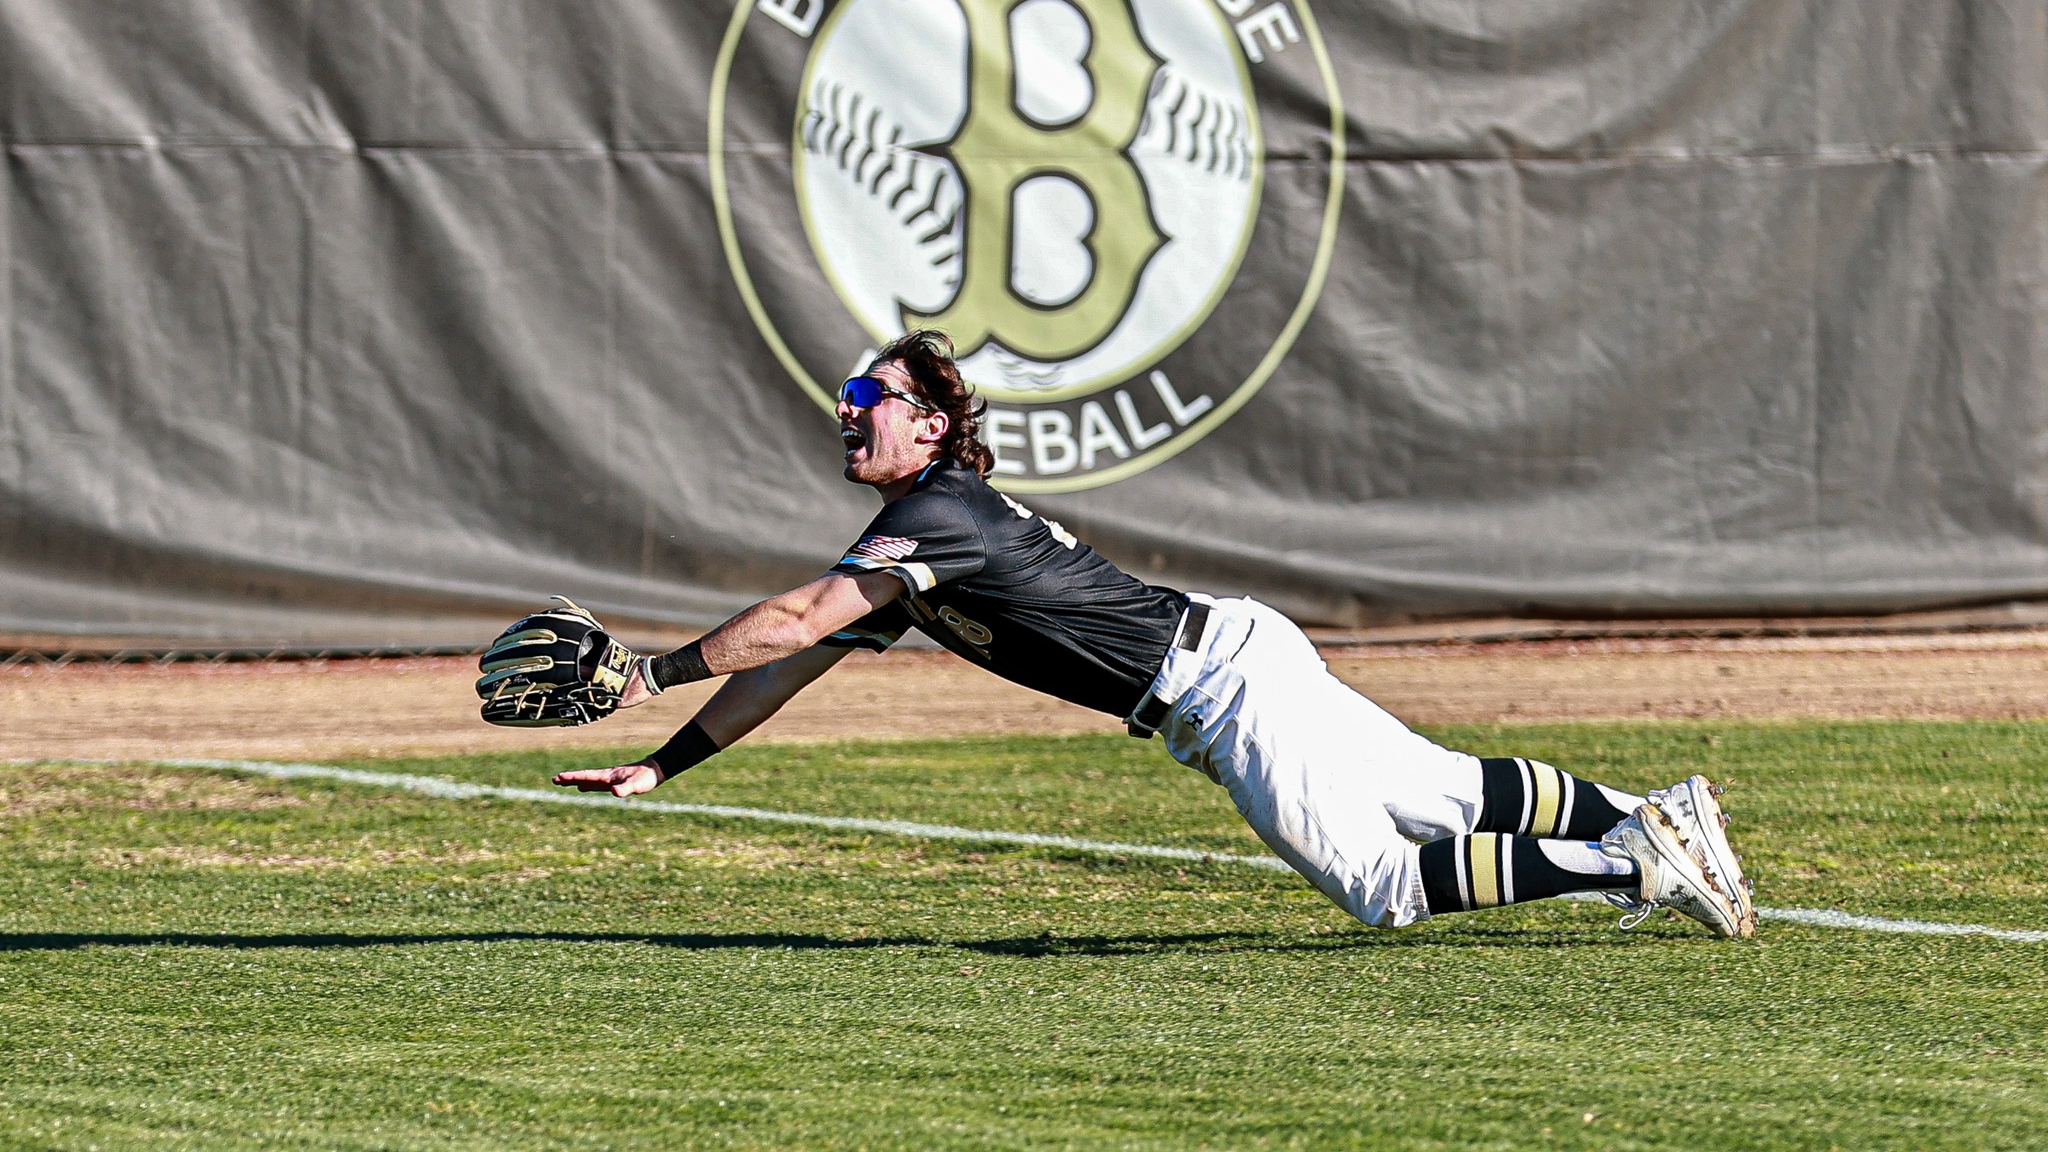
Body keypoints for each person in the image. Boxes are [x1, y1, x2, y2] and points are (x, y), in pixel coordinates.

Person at [553, 331, 1756, 937]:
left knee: (1382, 885)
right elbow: (797, 658)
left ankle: (1634, 860)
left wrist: (641, 674)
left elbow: (795, 618)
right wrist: (667, 758)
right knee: (1443, 796)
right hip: (1234, 653)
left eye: (864, 402)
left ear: (923, 426)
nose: (844, 416)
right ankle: (1642, 811)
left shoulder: (937, 516)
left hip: (1220, 687)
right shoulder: (915, 543)